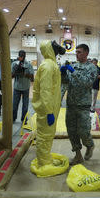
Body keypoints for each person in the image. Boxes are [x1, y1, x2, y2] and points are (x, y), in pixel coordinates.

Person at [61, 44, 97, 165]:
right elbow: (67, 83)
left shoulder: (91, 67)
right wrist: (63, 74)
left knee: (83, 131)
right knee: (71, 131)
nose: (77, 54)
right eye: (76, 52)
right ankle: (77, 155)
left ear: (86, 53)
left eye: (79, 52)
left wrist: (73, 72)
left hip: (83, 105)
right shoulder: (73, 66)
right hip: (71, 103)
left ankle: (90, 145)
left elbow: (87, 83)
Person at [32, 40, 66, 168]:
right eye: (54, 47)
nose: (57, 49)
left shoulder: (51, 64)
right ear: (49, 50)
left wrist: (59, 71)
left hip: (51, 106)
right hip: (47, 109)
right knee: (44, 135)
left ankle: (45, 158)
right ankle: (44, 163)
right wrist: (48, 111)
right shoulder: (47, 66)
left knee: (48, 134)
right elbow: (45, 91)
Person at [12, 50, 34, 123]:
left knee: (25, 105)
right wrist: (15, 71)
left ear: (25, 56)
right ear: (18, 55)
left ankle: (24, 119)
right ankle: (13, 118)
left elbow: (32, 78)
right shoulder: (14, 63)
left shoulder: (29, 65)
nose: (21, 57)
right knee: (14, 105)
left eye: (23, 56)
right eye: (20, 55)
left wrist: (24, 74)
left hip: (26, 88)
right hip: (17, 87)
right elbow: (11, 76)